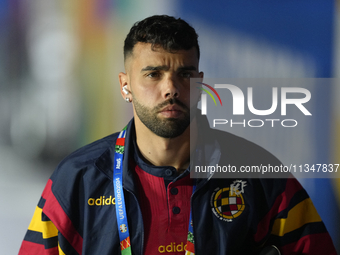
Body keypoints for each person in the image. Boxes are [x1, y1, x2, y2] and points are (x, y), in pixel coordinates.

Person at [19, 15, 337, 255]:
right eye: (153, 74)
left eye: (184, 74)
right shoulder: (77, 180)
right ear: (124, 85)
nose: (170, 88)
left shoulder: (261, 177)